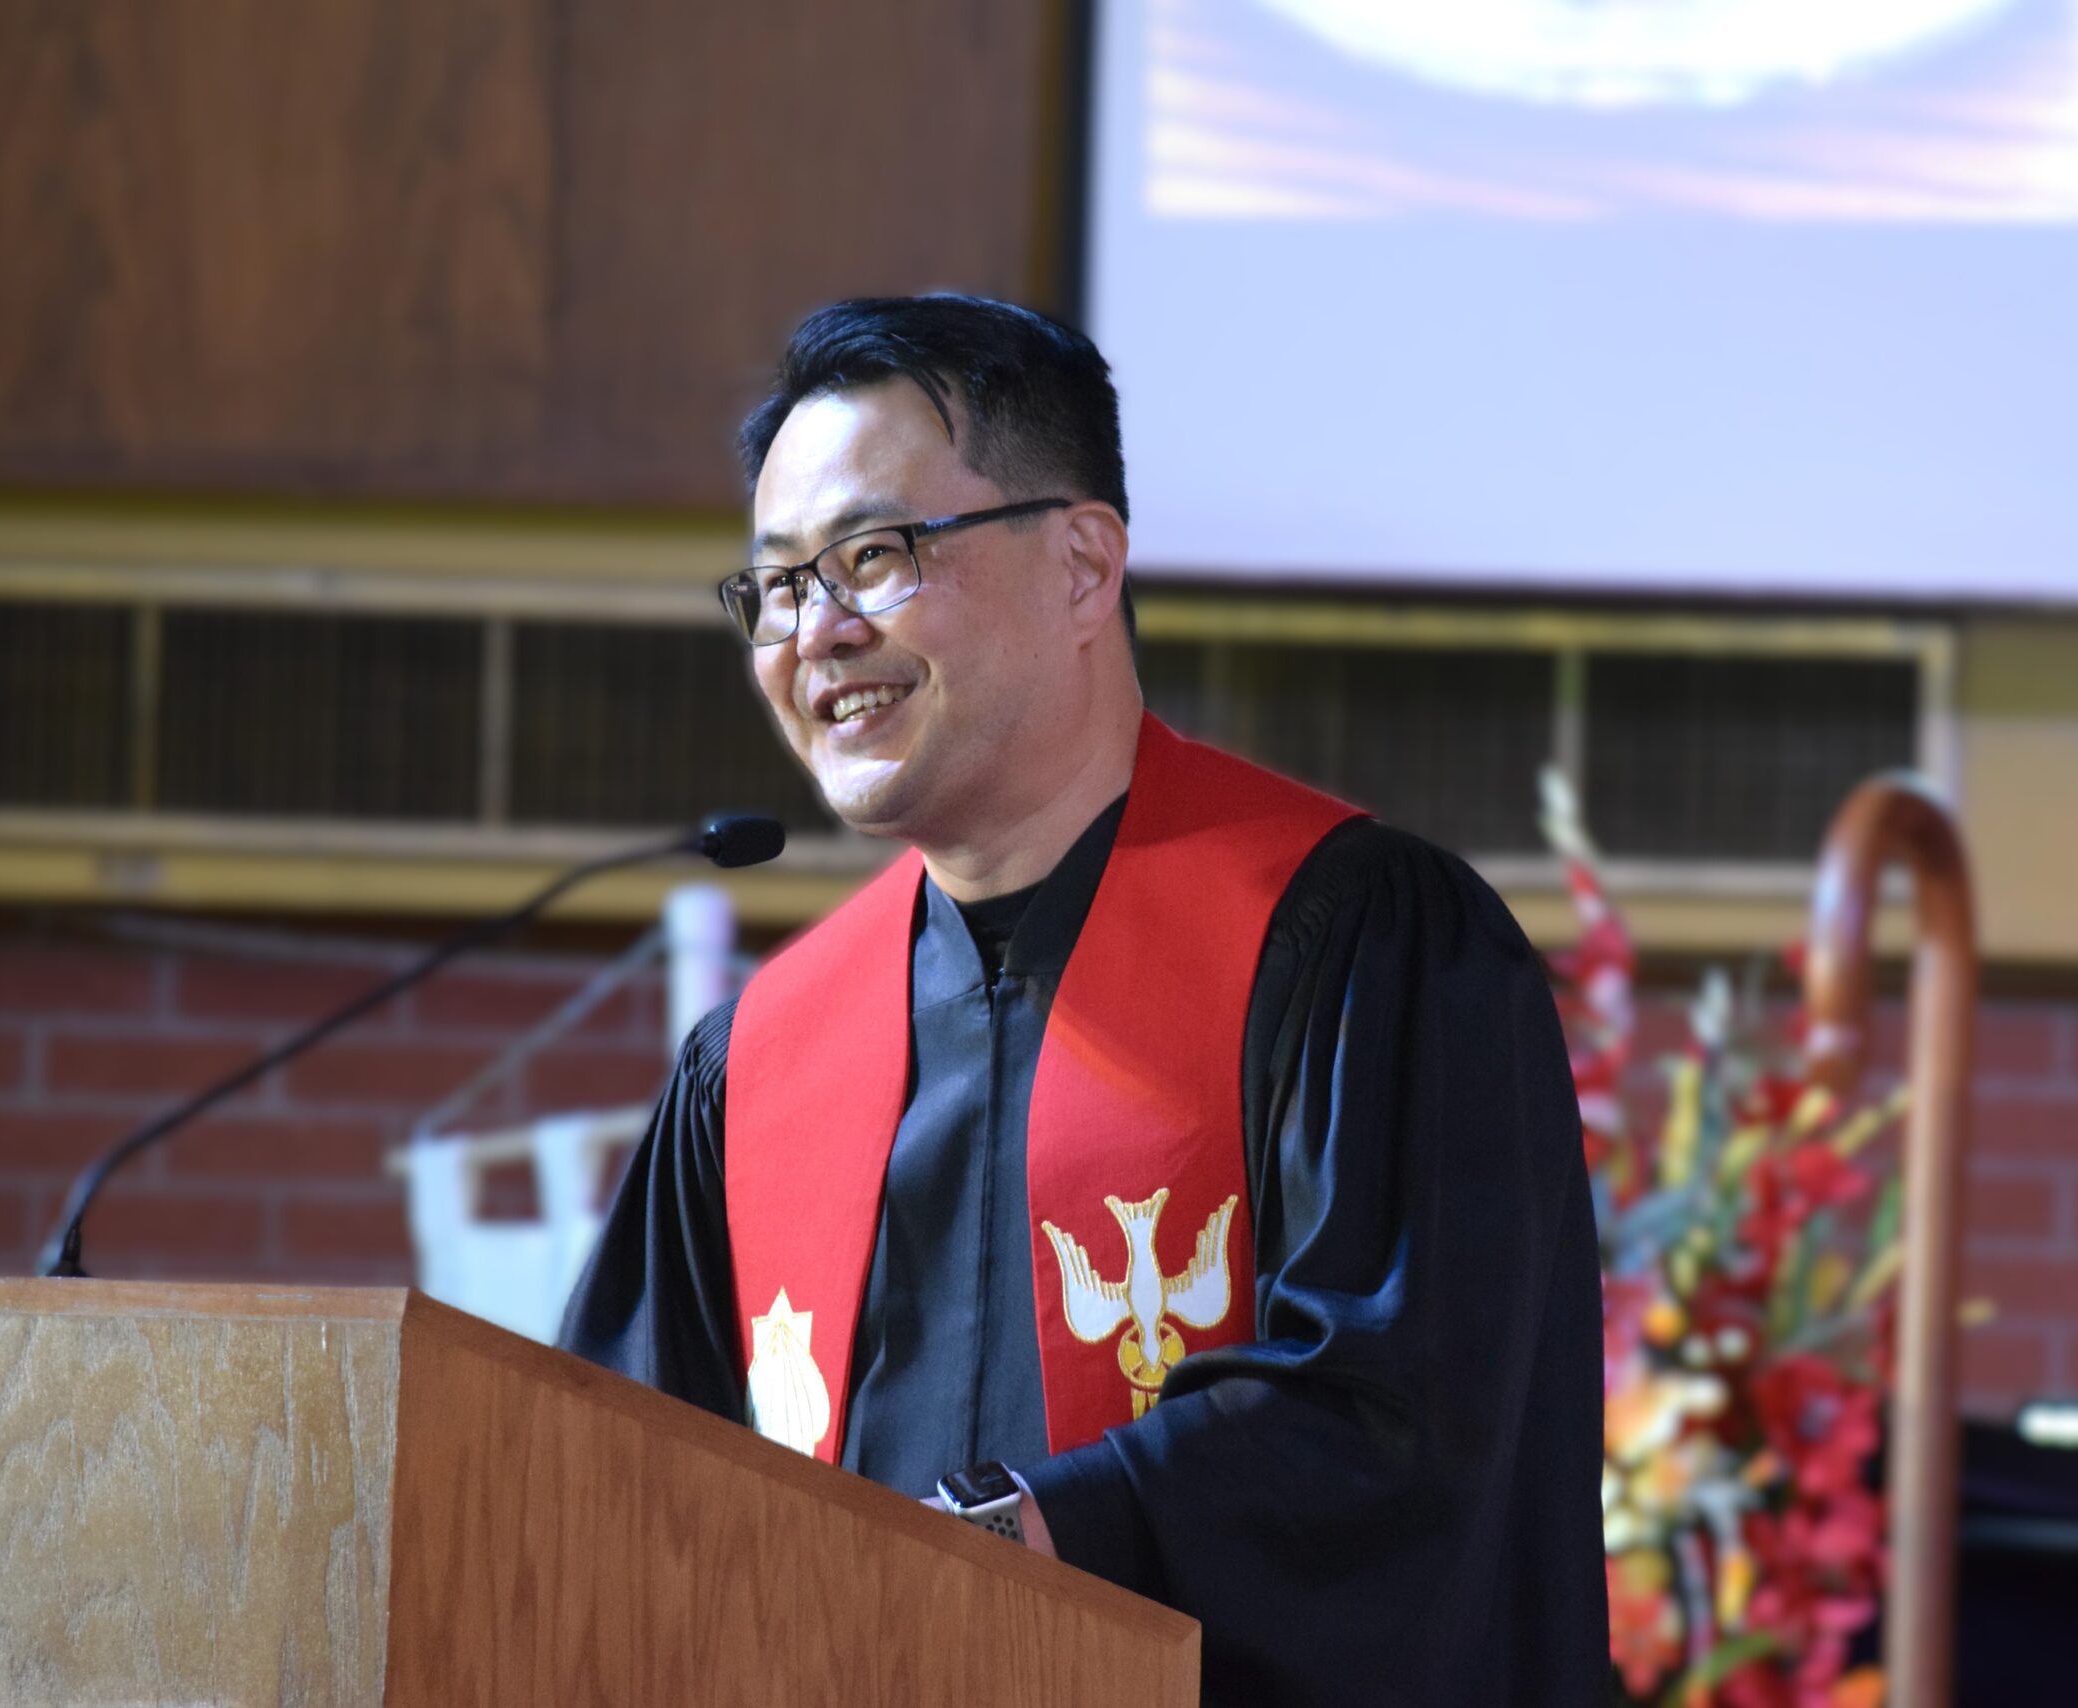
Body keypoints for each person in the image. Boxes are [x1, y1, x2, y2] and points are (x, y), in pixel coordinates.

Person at [561, 294, 1607, 1703]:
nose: (817, 633)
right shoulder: (754, 1070)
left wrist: (1026, 1537)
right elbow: (608, 1499)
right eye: (779, 585)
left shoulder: (1362, 945)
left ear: (1082, 565)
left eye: (873, 555)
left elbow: (1406, 1428)